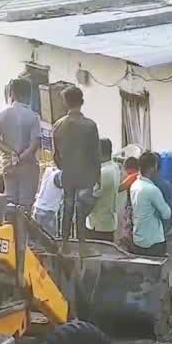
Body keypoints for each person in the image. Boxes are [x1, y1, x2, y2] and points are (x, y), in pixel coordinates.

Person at [51, 85, 101, 242]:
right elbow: (96, 155)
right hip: (86, 175)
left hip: (68, 174)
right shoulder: (90, 126)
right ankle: (81, 244)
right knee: (81, 210)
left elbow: (56, 155)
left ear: (65, 103)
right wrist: (97, 177)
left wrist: (64, 167)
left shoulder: (58, 125)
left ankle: (64, 241)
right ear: (82, 102)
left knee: (67, 207)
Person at [0, 77, 42, 211]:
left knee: (10, 203)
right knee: (25, 206)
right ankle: (23, 232)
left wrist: (10, 153)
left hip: (8, 164)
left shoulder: (1, 115)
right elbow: (34, 144)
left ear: (12, 93)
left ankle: (12, 230)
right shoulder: (33, 116)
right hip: (27, 166)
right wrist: (20, 157)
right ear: (29, 95)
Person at [129, 151, 172, 257]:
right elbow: (167, 214)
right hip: (153, 241)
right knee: (156, 272)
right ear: (153, 167)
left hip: (138, 239)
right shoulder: (152, 190)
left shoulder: (134, 185)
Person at [83, 138, 120, 241]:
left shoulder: (103, 173)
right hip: (108, 222)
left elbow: (90, 200)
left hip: (97, 226)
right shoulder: (115, 167)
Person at [115, 156, 139, 250]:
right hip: (133, 206)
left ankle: (130, 247)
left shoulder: (134, 176)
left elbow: (119, 188)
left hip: (132, 208)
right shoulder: (140, 176)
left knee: (129, 228)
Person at [32, 166, 64, 237]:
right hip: (48, 213)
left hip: (38, 209)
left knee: (37, 241)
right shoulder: (60, 176)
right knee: (49, 243)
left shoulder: (49, 170)